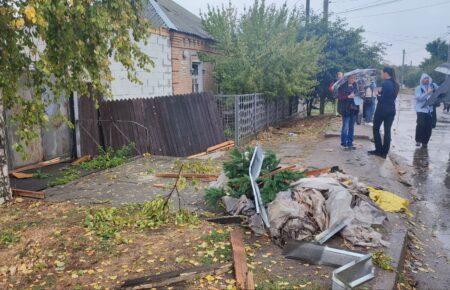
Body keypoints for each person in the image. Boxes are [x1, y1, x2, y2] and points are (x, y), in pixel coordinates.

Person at [368, 67, 399, 158]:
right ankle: (384, 153)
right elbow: (389, 96)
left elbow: (382, 99)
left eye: (382, 73)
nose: (381, 75)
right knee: (387, 131)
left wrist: (377, 93)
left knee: (376, 128)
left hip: (382, 110)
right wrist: (381, 92)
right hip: (391, 110)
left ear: (386, 73)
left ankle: (378, 150)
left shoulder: (386, 83)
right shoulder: (396, 84)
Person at [415, 73, 438, 148]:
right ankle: (418, 140)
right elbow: (419, 98)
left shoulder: (433, 86)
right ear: (422, 80)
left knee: (428, 127)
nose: (426, 80)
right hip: (421, 109)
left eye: (428, 78)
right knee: (421, 125)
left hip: (430, 110)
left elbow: (440, 91)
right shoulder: (419, 88)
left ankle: (425, 142)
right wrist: (427, 93)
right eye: (425, 78)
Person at [337, 75, 359, 150]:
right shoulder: (342, 86)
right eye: (351, 78)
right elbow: (339, 97)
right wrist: (348, 96)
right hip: (345, 109)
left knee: (351, 127)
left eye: (354, 78)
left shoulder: (356, 86)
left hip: (354, 109)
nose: (353, 79)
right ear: (348, 78)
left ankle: (350, 143)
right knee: (345, 126)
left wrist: (357, 95)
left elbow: (359, 97)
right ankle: (343, 143)